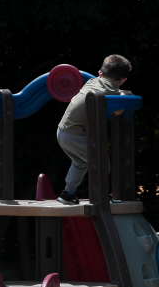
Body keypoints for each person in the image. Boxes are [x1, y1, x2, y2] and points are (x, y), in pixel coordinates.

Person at [55, 54, 133, 205]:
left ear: (100, 73)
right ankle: (101, 197)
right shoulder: (112, 91)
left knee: (80, 162)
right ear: (124, 80)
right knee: (101, 161)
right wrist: (123, 94)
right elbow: (119, 111)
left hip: (62, 132)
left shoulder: (92, 81)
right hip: (75, 135)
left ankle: (67, 194)